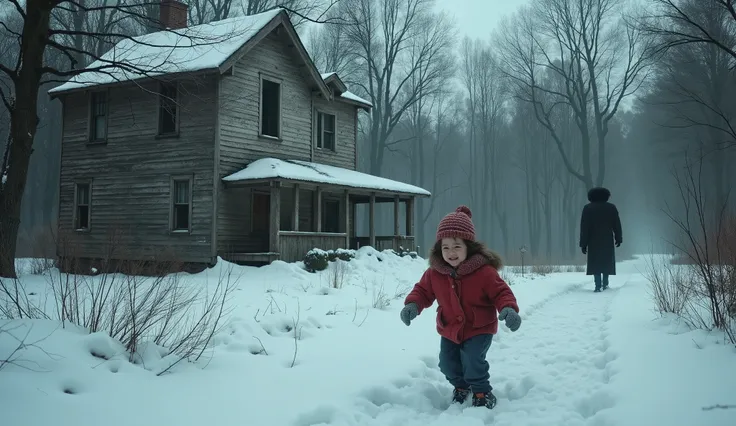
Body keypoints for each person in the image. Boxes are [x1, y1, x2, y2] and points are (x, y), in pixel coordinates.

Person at [399, 205, 521, 410]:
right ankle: (461, 386)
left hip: (479, 327)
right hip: (449, 328)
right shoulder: (435, 273)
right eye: (445, 247)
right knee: (447, 363)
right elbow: (422, 291)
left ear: (468, 247)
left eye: (457, 246)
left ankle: (482, 391)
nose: (451, 252)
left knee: (473, 360)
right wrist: (412, 304)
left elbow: (501, 292)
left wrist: (508, 309)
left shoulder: (484, 272)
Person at [579, 187, 623, 292]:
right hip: (607, 238)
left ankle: (597, 285)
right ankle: (605, 283)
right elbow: (617, 225)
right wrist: (618, 238)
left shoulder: (588, 208)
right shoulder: (611, 208)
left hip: (593, 240)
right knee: (606, 261)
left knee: (595, 262)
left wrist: (583, 243)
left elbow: (584, 227)